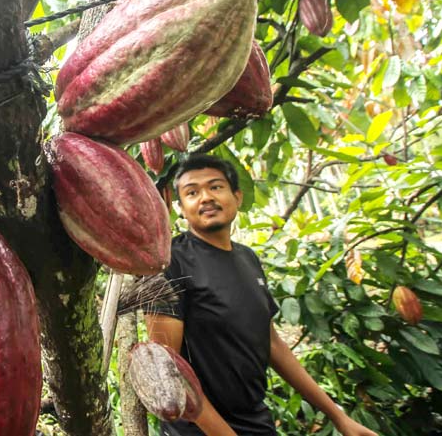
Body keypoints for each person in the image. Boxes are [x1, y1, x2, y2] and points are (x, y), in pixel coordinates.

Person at [145, 154, 377, 436]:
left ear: (238, 197)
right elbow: (168, 369)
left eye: (216, 187)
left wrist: (339, 417)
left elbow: (271, 343)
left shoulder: (248, 258)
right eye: (192, 192)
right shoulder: (170, 263)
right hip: (198, 430)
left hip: (256, 421)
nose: (205, 197)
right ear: (181, 209)